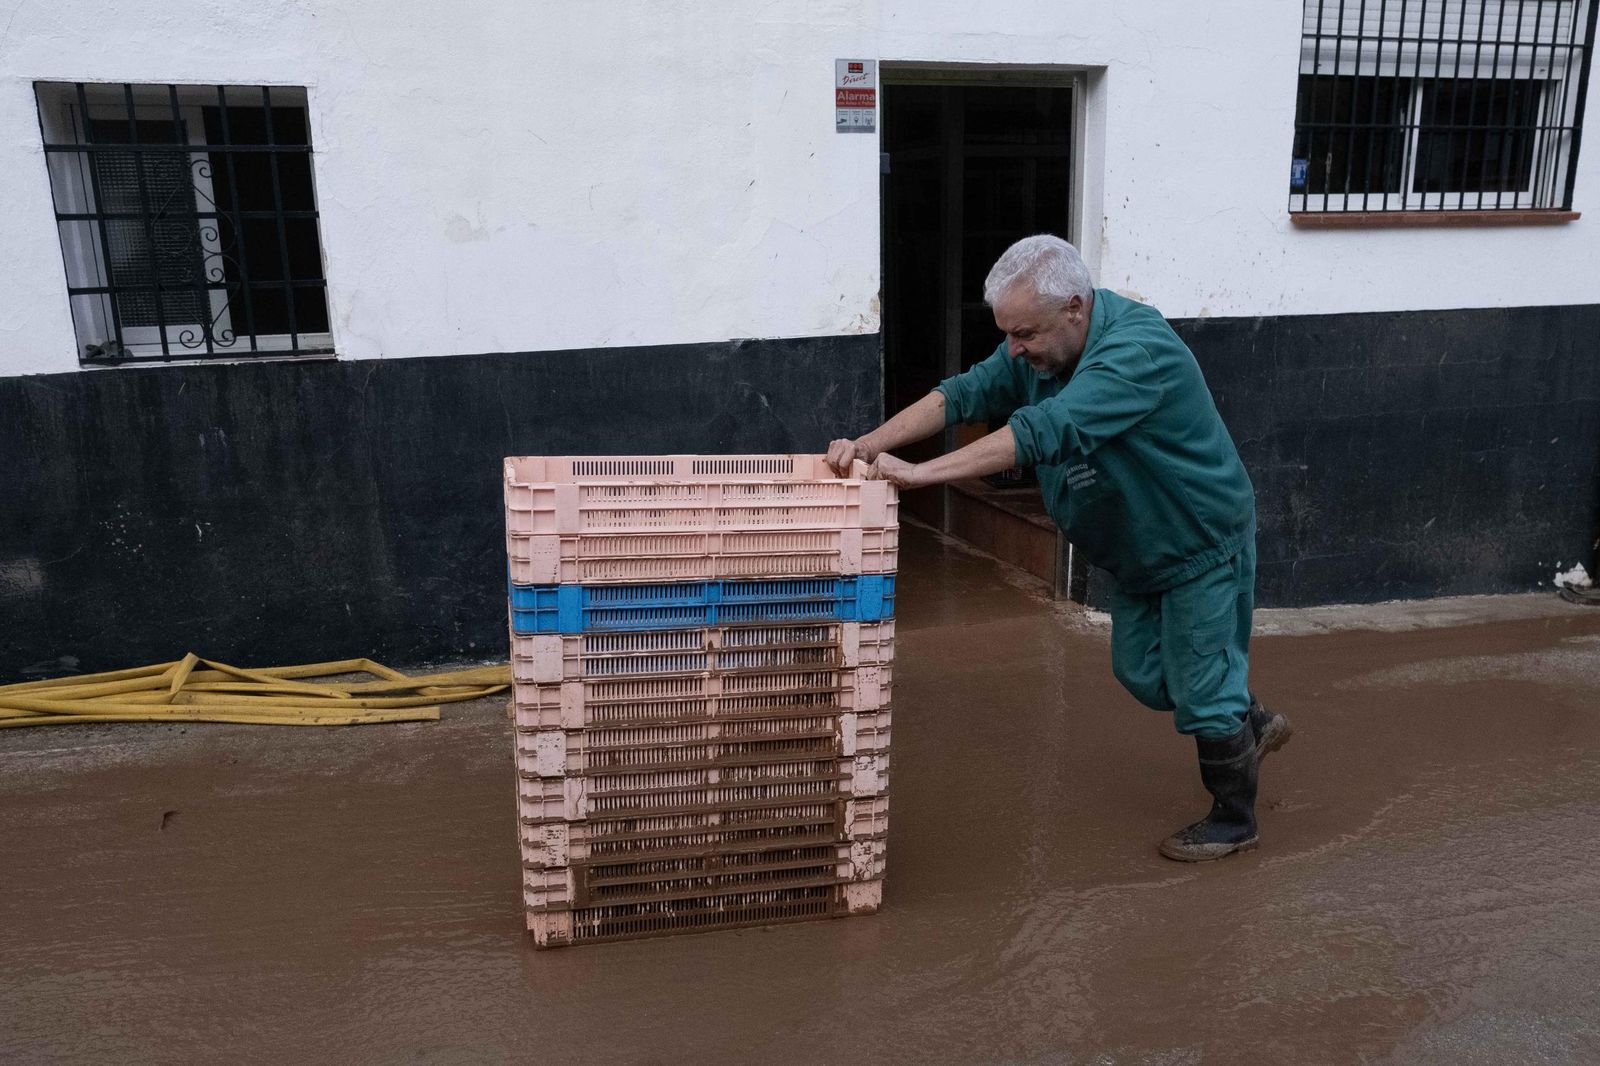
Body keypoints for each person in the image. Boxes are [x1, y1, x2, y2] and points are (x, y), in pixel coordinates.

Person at [827, 234, 1292, 861]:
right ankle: (1249, 720)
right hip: (1136, 548)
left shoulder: (1136, 353)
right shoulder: (1039, 346)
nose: (1016, 351)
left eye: (1026, 335)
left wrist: (918, 476)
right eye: (1010, 335)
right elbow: (962, 393)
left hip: (1197, 539)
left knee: (1203, 692)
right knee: (1144, 673)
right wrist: (866, 443)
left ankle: (1235, 819)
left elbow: (1045, 430)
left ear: (1075, 307)